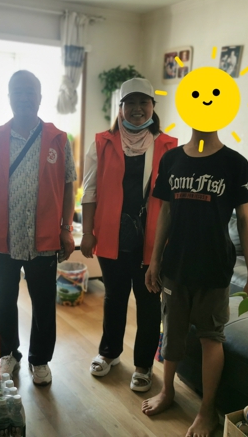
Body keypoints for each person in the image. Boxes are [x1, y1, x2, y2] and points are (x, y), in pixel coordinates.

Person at [142, 128, 248, 436]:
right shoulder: (171, 159)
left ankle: (207, 410)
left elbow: (246, 220)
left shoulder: (235, 163)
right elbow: (166, 212)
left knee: (211, 337)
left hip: (214, 268)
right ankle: (167, 391)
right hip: (175, 265)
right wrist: (155, 260)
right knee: (172, 332)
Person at [0, 70, 76, 386]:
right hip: (2, 236)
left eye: (30, 91)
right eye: (18, 91)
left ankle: (39, 359)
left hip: (43, 238)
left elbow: (68, 186)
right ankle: (8, 353)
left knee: (43, 303)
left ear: (40, 97)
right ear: (9, 97)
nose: (24, 97)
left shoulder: (58, 139)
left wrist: (66, 228)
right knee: (3, 300)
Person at [81, 78, 177, 392]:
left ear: (153, 106)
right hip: (113, 235)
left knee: (148, 302)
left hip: (153, 240)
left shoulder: (168, 146)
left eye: (143, 102)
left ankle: (144, 365)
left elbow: (173, 200)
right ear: (120, 107)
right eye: (130, 103)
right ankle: (109, 353)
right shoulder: (102, 143)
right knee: (114, 297)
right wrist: (87, 232)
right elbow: (90, 191)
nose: (137, 109)